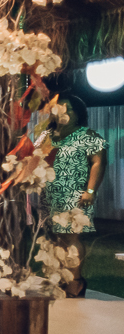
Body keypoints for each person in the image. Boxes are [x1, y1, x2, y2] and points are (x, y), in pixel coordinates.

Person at [42, 95, 107, 298]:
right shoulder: (47, 136)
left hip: (76, 194)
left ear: (78, 113)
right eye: (59, 108)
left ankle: (75, 282)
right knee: (55, 238)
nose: (63, 112)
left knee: (71, 236)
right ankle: (59, 278)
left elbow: (98, 162)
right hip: (51, 193)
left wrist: (90, 191)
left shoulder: (87, 135)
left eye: (68, 108)